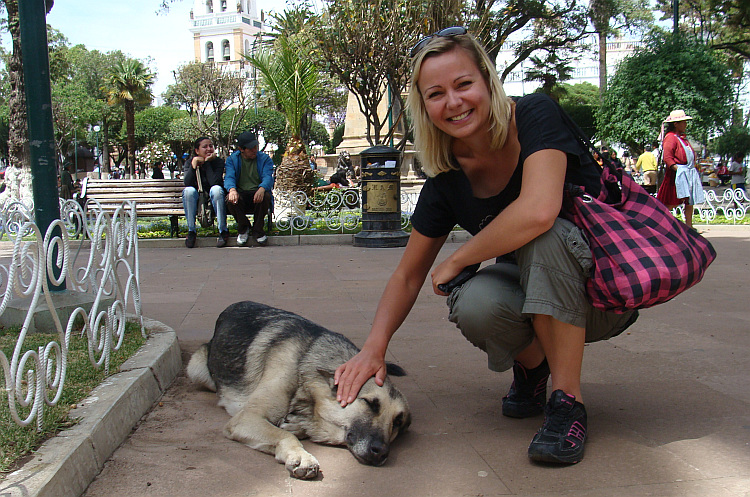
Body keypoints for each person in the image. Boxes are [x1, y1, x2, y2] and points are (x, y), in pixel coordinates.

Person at [333, 27, 638, 465]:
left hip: (603, 293)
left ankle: (567, 401)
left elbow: (538, 210)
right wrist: (374, 346)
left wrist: (458, 258)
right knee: (474, 300)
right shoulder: (446, 176)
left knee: (545, 235)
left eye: (464, 84)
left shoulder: (535, 115)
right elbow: (408, 273)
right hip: (537, 297)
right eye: (435, 94)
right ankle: (534, 368)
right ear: (423, 106)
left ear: (487, 81)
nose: (453, 103)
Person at [656, 110, 704, 229]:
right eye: (682, 122)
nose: (685, 124)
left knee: (689, 201)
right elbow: (667, 158)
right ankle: (660, 225)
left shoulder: (683, 138)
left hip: (689, 172)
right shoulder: (671, 138)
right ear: (675, 124)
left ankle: (689, 226)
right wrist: (679, 171)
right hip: (677, 174)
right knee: (671, 201)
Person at [224, 131, 274, 246]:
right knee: (230, 200)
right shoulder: (232, 160)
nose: (254, 150)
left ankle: (258, 231)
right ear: (241, 149)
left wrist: (262, 188)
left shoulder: (265, 159)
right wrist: (232, 190)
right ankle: (244, 228)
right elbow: (229, 177)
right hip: (241, 193)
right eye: (251, 148)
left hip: (257, 192)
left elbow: (268, 177)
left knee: (265, 196)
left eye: (256, 147)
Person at [183, 137, 229, 248]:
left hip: (214, 198)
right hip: (197, 199)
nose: (209, 149)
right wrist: (194, 167)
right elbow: (187, 182)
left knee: (216, 189)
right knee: (188, 191)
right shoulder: (190, 162)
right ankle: (191, 232)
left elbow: (214, 182)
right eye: (205, 147)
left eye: (211, 146)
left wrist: (206, 163)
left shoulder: (217, 162)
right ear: (197, 151)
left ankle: (223, 231)